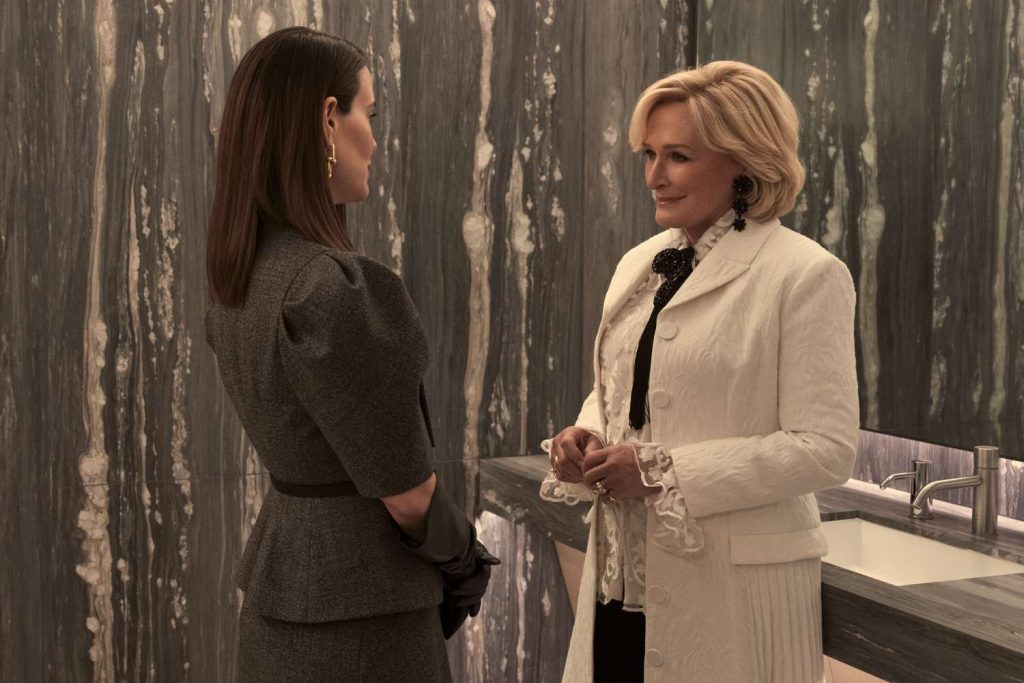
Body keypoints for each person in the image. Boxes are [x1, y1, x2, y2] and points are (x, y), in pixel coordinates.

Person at [541, 60, 858, 682]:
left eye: (678, 157)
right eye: (649, 155)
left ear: (745, 162)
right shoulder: (640, 262)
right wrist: (587, 434)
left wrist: (662, 471)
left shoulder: (806, 274)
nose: (654, 176)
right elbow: (625, 385)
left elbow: (826, 449)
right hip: (619, 582)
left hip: (732, 599)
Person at [204, 27, 497, 683]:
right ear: (328, 120)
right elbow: (409, 494)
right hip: (364, 619)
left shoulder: (242, 279)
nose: (376, 137)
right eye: (371, 112)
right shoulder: (332, 289)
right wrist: (465, 557)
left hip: (282, 604)